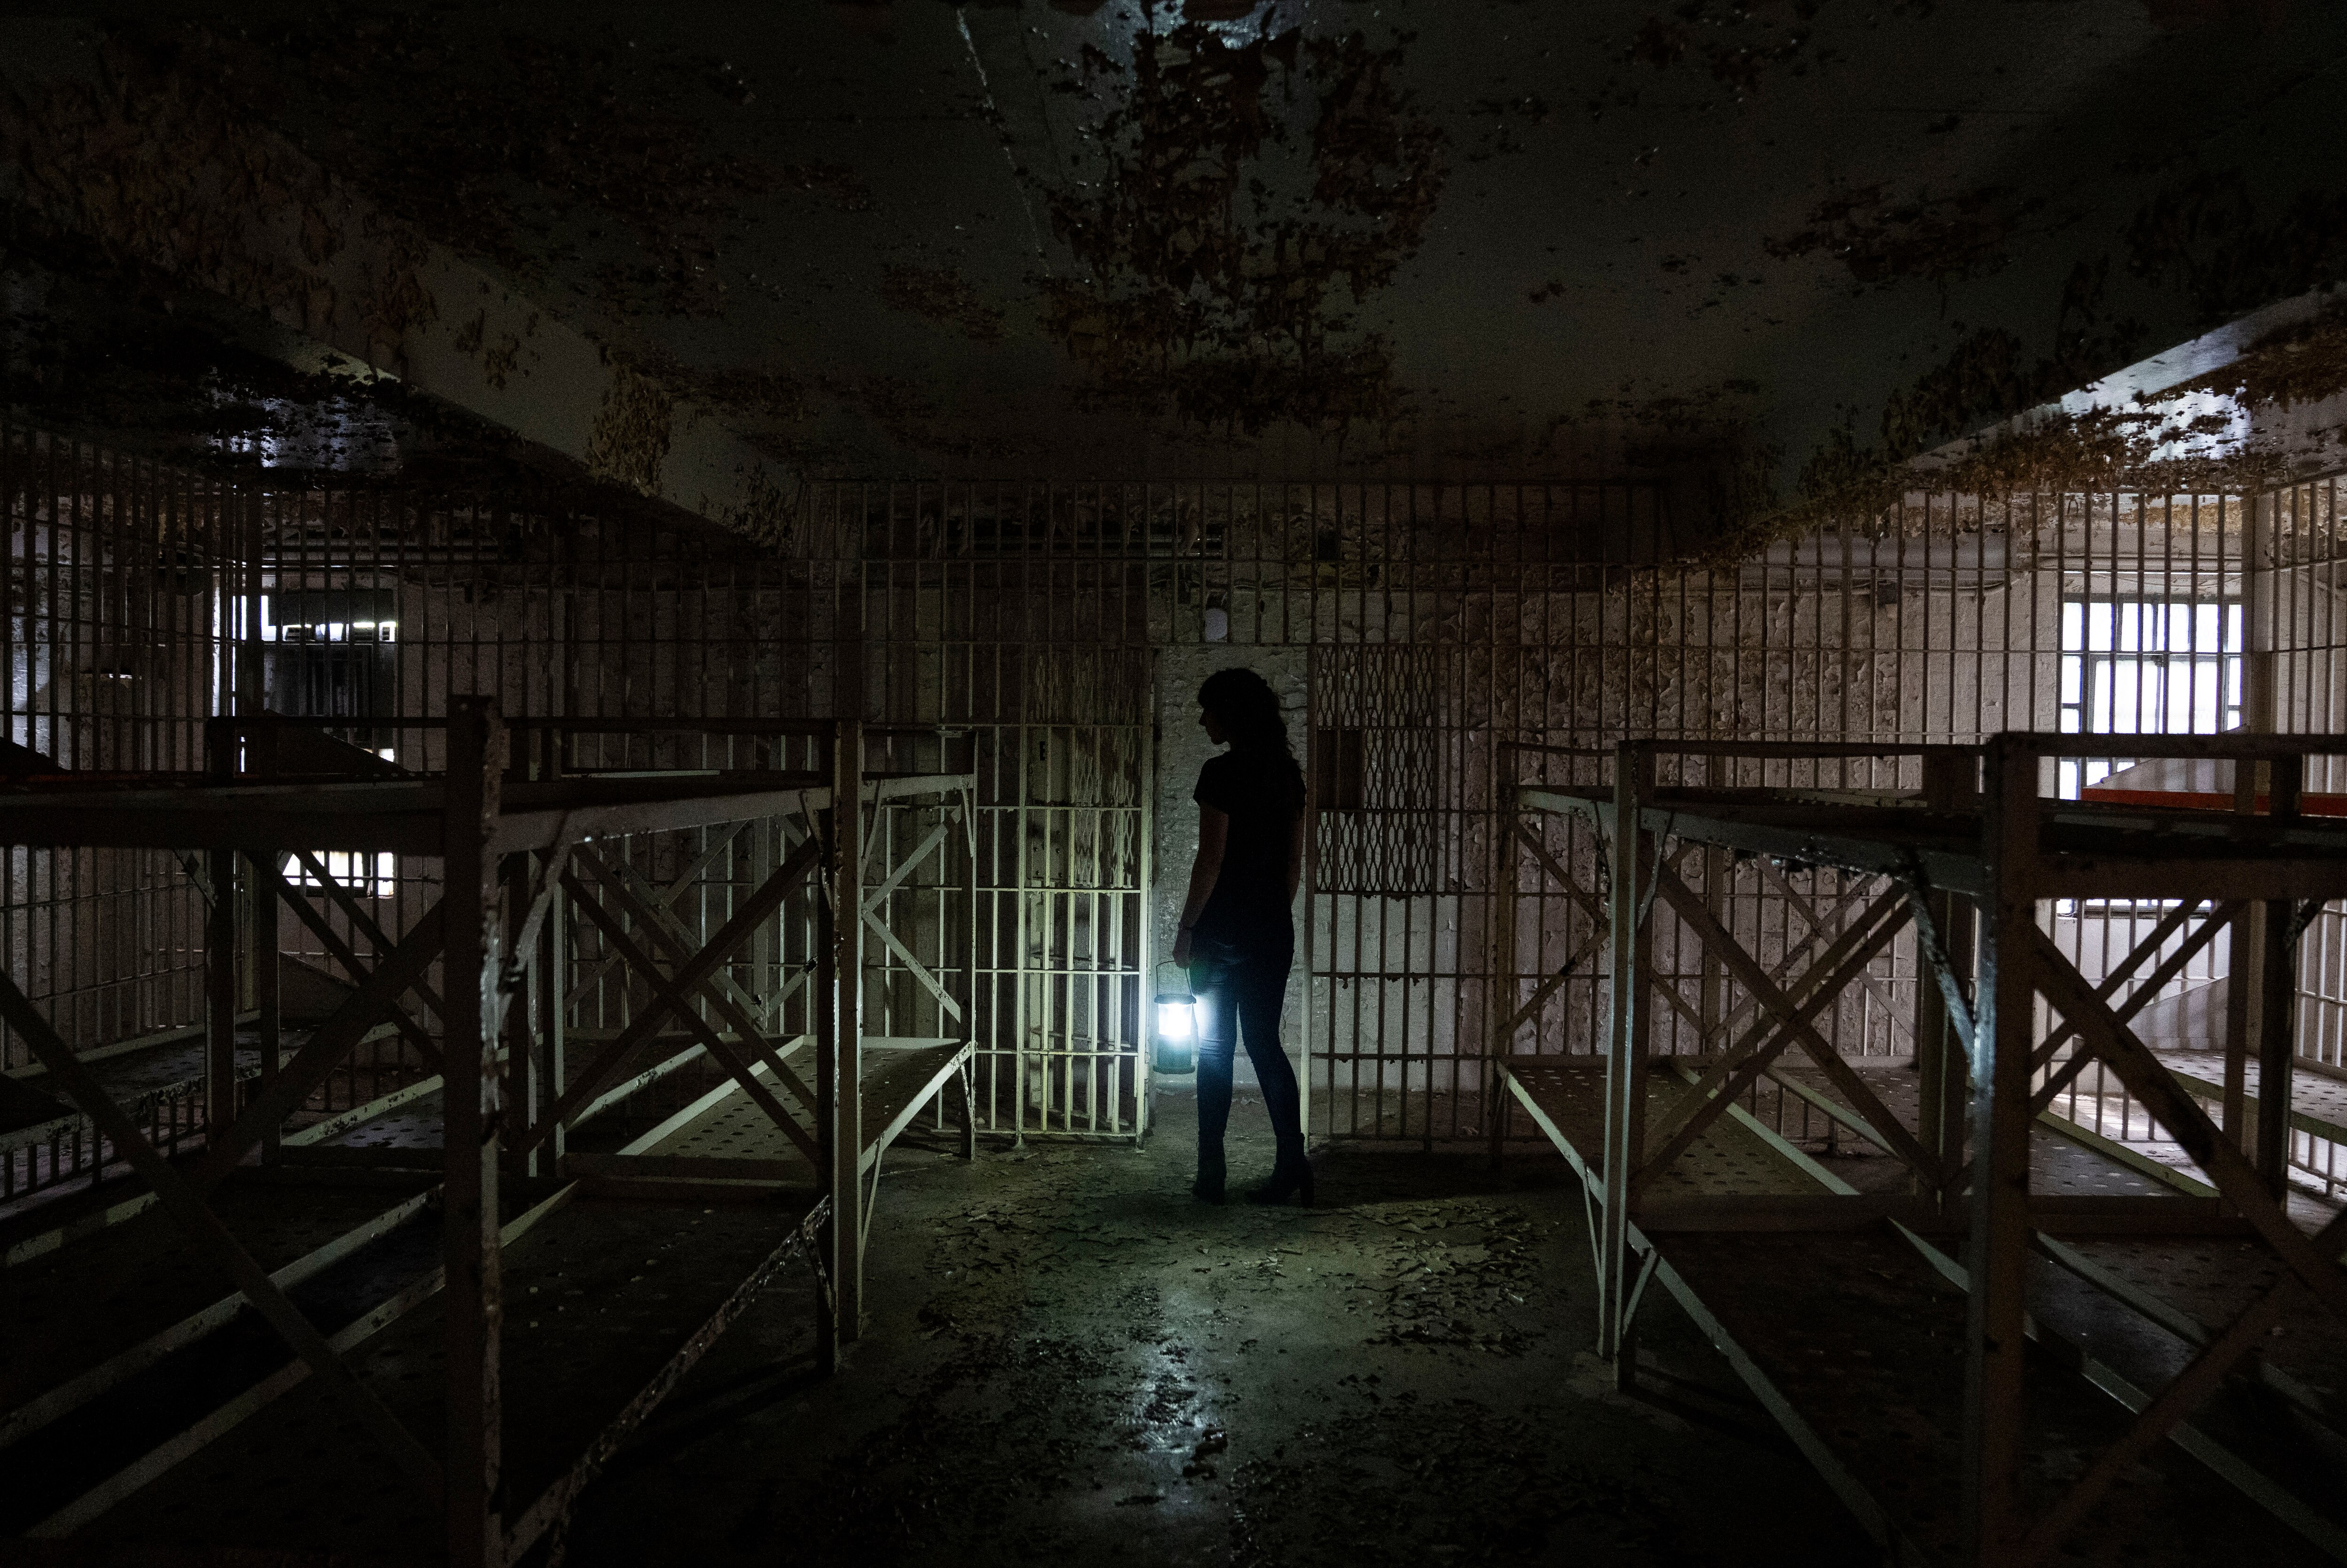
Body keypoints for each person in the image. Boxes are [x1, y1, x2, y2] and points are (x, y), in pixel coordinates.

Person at [1172, 667, 1311, 1206]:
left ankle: (1211, 1174)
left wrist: (1186, 928)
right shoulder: (1287, 774)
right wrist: (1272, 912)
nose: (1203, 718)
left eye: (1208, 709)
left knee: (1213, 1048)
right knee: (1264, 1044)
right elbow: (1293, 863)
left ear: (1230, 714)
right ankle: (1291, 1163)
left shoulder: (1220, 772)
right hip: (1271, 926)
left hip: (1220, 931)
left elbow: (1210, 860)